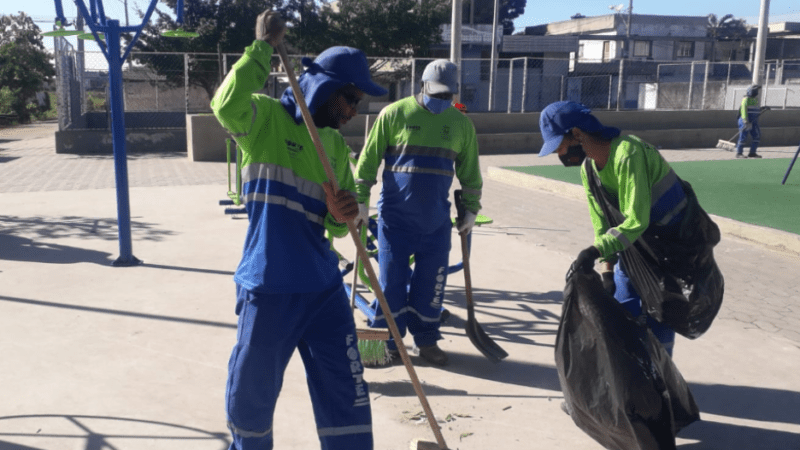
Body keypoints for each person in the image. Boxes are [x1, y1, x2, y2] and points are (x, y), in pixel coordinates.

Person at [210, 10, 387, 450]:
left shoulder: (334, 147)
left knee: (346, 391)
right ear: (326, 88)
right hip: (269, 287)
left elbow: (339, 226)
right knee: (251, 396)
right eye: (350, 99)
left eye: (359, 104)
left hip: (323, 287)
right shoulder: (264, 121)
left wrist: (341, 212)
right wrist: (262, 48)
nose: (353, 112)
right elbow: (224, 105)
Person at [353, 59, 483, 366]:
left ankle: (427, 341)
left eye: (446, 96)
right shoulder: (394, 114)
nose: (441, 101)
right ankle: (389, 342)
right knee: (390, 285)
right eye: (436, 94)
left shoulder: (461, 125)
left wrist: (471, 211)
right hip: (395, 222)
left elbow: (470, 173)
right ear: (422, 86)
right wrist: (360, 200)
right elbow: (368, 162)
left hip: (436, 223)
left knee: (431, 285)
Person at [538, 101, 683, 357]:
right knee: (622, 312)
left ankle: (663, 385)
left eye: (560, 145)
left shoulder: (627, 153)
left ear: (578, 134)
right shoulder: (589, 170)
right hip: (633, 245)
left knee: (659, 317)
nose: (560, 154)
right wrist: (606, 268)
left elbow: (637, 219)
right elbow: (601, 224)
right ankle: (635, 384)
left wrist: (594, 251)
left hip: (667, 247)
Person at [735, 84, 764, 159]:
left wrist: (762, 108)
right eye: (754, 90)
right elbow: (743, 110)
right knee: (743, 137)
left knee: (757, 136)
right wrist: (745, 120)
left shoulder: (755, 100)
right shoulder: (745, 99)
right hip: (745, 121)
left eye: (757, 90)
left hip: (754, 121)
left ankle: (752, 153)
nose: (756, 92)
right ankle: (739, 153)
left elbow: (756, 110)